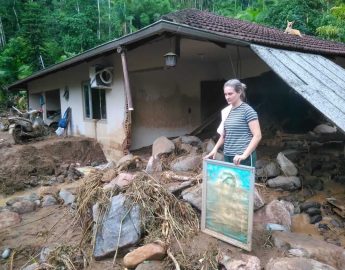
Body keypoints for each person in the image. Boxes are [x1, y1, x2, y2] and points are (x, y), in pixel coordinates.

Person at [205, 79, 262, 166]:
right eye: (225, 94)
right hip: (228, 155)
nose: (227, 97)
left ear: (239, 92)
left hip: (243, 158)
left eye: (230, 94)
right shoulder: (226, 111)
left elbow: (257, 136)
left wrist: (244, 155)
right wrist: (215, 149)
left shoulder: (248, 111)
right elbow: (224, 135)